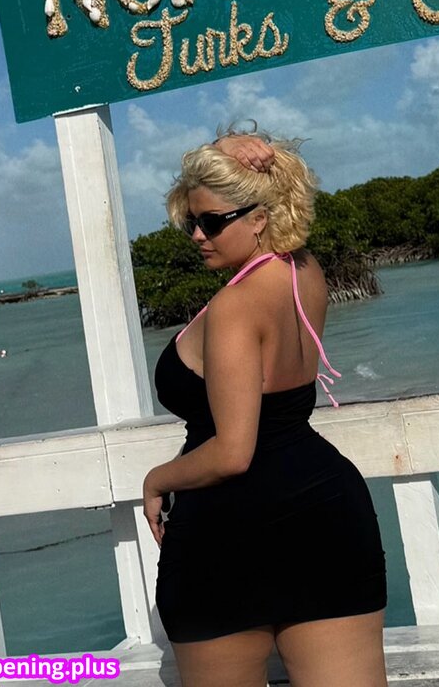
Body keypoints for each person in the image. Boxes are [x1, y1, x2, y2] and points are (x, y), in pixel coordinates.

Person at [143, 131, 388, 687]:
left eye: (211, 222)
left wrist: (157, 479)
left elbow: (233, 453)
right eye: (191, 223)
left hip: (223, 535)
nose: (197, 236)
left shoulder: (235, 306)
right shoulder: (304, 271)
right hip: (327, 516)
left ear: (259, 218)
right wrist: (231, 146)